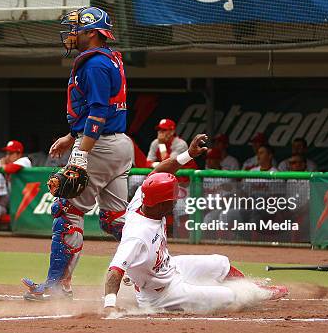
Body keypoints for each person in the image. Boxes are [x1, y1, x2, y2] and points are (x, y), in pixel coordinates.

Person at [102, 134, 288, 314]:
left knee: (220, 263)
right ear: (161, 203)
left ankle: (252, 288)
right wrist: (110, 306)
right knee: (233, 296)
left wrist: (188, 154)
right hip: (160, 294)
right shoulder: (137, 234)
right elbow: (114, 271)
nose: (176, 199)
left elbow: (161, 171)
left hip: (170, 268)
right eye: (172, 197)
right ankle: (253, 294)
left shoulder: (143, 199)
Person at [22, 6, 131, 301]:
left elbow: (98, 112)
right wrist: (71, 136)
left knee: (67, 210)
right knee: (115, 219)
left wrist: (82, 151)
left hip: (100, 144)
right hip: (118, 143)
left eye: (77, 30)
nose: (71, 35)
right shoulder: (108, 59)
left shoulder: (94, 64)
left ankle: (58, 287)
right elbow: (99, 109)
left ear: (93, 33)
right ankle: (155, 271)